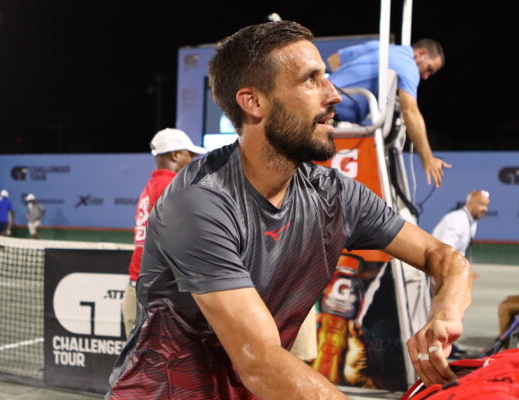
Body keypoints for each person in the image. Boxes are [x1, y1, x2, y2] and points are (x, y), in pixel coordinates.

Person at [107, 21, 473, 399]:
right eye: (311, 80)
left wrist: (445, 314)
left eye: (326, 78)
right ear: (253, 102)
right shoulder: (200, 201)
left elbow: (445, 259)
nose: (334, 95)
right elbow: (259, 360)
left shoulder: (335, 195)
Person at [327, 39, 449, 187]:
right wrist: (428, 159)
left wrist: (343, 84)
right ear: (421, 53)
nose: (426, 76)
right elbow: (410, 111)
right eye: (429, 69)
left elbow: (334, 59)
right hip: (330, 115)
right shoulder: (408, 65)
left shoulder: (378, 46)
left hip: (323, 103)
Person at [121, 128, 206, 337]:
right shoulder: (173, 187)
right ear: (175, 155)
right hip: (159, 297)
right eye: (190, 155)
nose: (193, 160)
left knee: (136, 366)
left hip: (138, 288)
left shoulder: (151, 186)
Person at [431, 190, 490, 256]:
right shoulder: (458, 219)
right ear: (469, 203)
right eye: (482, 204)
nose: (485, 209)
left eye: (487, 205)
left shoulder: (472, 223)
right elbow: (445, 250)